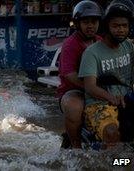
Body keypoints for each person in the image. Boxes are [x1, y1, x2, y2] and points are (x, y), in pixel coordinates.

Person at [78, 0, 134, 149]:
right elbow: (90, 87)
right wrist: (112, 97)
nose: (121, 30)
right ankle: (116, 164)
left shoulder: (128, 46)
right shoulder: (92, 53)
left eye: (124, 26)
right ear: (107, 27)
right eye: (116, 26)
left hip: (127, 99)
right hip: (99, 104)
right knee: (111, 132)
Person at [57, 0, 103, 148]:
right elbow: (69, 74)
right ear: (77, 24)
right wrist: (90, 87)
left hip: (99, 88)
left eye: (94, 21)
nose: (90, 26)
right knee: (74, 107)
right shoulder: (70, 44)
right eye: (86, 22)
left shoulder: (101, 42)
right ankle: (76, 147)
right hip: (74, 91)